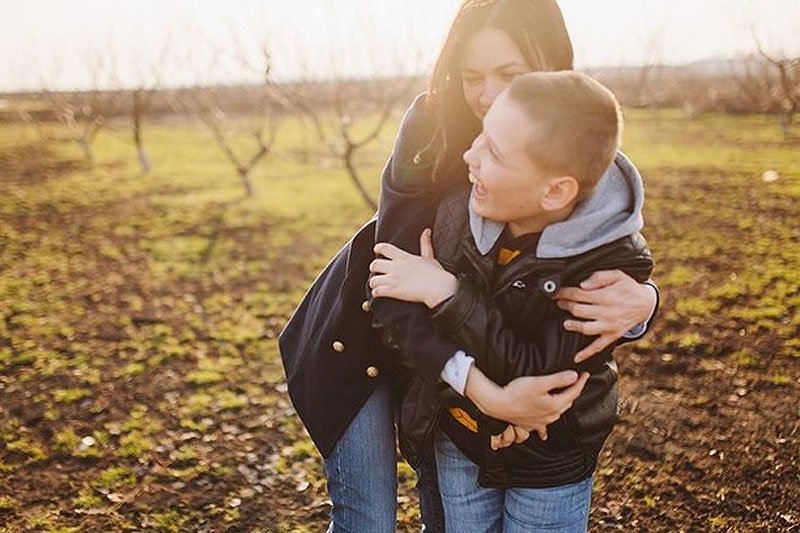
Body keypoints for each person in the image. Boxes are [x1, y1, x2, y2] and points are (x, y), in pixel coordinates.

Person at [278, 1, 659, 531]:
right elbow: (398, 285)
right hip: (366, 333)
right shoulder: (433, 130)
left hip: (458, 359)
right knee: (368, 520)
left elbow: (601, 251)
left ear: (553, 65)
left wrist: (643, 302)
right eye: (471, 76)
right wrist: (492, 397)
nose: (487, 94)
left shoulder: (568, 126)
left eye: (510, 74)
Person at [369, 70, 653, 532]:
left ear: (555, 190)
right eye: (481, 137)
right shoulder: (455, 215)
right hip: (462, 440)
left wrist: (446, 293)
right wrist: (483, 395)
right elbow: (406, 320)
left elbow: (538, 374)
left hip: (549, 459)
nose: (470, 156)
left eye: (495, 153)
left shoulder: (603, 266)